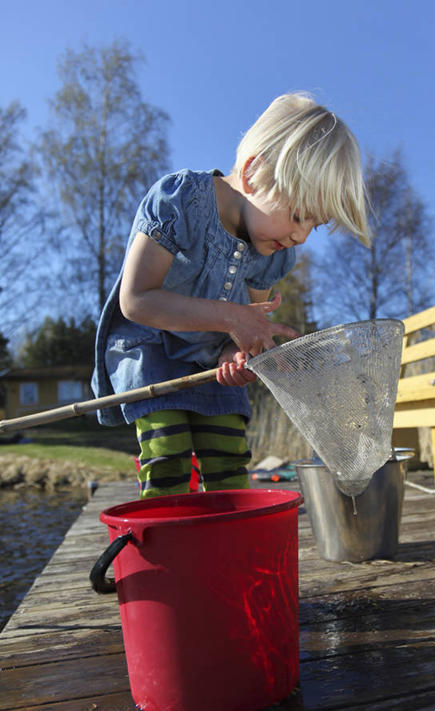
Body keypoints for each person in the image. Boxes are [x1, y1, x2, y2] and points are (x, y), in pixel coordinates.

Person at [92, 92, 370, 497]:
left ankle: (226, 544)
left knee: (228, 461)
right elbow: (135, 301)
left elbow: (238, 334)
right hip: (152, 351)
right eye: (297, 215)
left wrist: (234, 354)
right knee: (167, 454)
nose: (301, 235)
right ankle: (169, 548)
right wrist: (231, 316)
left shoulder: (275, 254)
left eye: (316, 224)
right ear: (255, 173)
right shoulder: (181, 201)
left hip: (207, 366)